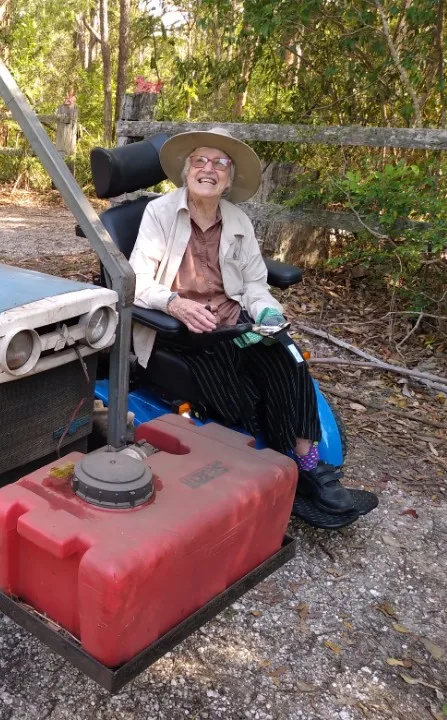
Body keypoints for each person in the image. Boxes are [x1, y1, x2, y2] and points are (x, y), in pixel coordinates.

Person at [129, 127, 374, 524]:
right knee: (238, 389)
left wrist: (267, 313)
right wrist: (174, 304)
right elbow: (136, 279)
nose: (209, 169)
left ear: (229, 178)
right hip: (184, 330)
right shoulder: (159, 213)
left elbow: (256, 284)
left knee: (290, 359)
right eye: (200, 161)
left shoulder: (238, 220)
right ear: (187, 169)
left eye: (219, 163)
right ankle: (278, 465)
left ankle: (308, 464)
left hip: (235, 322)